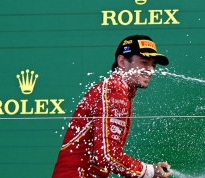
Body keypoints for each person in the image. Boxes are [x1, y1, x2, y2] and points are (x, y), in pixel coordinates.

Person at [52, 35, 172, 178]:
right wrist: (151, 171)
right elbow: (108, 156)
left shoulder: (117, 90)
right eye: (144, 62)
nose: (150, 70)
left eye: (153, 65)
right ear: (122, 62)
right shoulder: (114, 91)